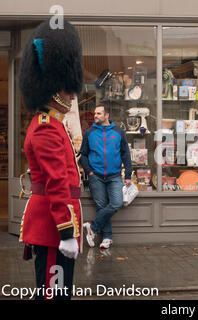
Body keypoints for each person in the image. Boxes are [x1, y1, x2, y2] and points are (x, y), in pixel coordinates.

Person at [18, 19, 83, 300]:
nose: (72, 94)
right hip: (53, 226)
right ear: (53, 88)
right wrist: (66, 230)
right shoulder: (46, 125)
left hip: (56, 222)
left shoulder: (53, 123)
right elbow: (57, 182)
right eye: (67, 89)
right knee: (53, 294)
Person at [80, 105, 132, 249]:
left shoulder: (118, 132)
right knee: (101, 206)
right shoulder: (89, 132)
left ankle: (93, 227)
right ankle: (107, 237)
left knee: (116, 203)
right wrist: (89, 171)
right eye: (95, 113)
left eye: (98, 113)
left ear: (107, 115)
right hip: (95, 176)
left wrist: (127, 174)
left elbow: (125, 154)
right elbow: (83, 155)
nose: (95, 115)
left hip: (114, 176)